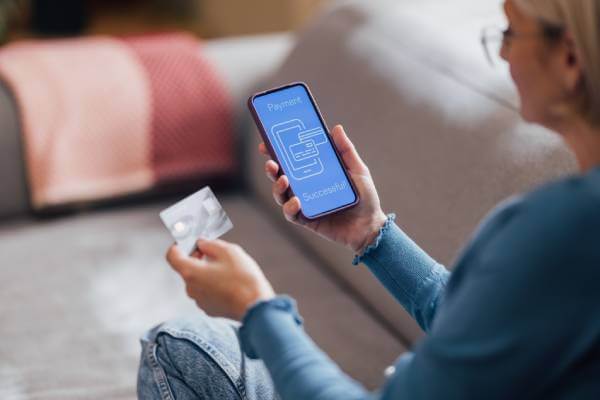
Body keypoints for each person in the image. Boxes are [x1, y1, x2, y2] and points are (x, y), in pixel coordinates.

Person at [137, 0, 600, 398]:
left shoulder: (558, 227)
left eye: (512, 32)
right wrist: (371, 232)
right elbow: (491, 328)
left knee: (179, 346)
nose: (502, 51)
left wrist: (257, 308)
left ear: (570, 60)